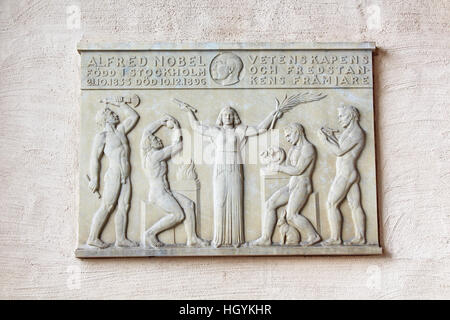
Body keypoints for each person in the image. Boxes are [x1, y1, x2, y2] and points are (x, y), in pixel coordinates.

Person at [181, 104, 281, 247]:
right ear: (221, 117)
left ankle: (236, 240)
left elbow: (260, 129)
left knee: (235, 202)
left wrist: (273, 114)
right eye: (225, 115)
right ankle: (219, 239)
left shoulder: (239, 131)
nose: (228, 117)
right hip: (220, 168)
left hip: (235, 167)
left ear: (235, 117)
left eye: (230, 115)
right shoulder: (215, 131)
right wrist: (189, 112)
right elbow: (197, 127)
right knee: (219, 201)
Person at [141, 115, 208, 248]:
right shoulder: (155, 155)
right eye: (155, 139)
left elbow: (146, 132)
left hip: (166, 191)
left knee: (189, 204)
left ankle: (192, 238)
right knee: (178, 215)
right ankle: (150, 233)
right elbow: (177, 147)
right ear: (150, 144)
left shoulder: (145, 152)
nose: (159, 139)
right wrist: (176, 128)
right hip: (158, 194)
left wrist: (161, 121)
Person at [251, 123, 321, 246]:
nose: (287, 139)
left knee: (291, 216)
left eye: (289, 136)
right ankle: (266, 238)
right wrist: (272, 156)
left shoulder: (308, 148)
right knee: (269, 204)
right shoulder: (294, 148)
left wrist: (278, 167)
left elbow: (298, 170)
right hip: (292, 184)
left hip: (302, 185)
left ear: (297, 132)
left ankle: (313, 235)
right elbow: (286, 165)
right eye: (286, 137)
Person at [87, 97, 139, 248]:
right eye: (111, 113)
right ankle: (92, 237)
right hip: (114, 174)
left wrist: (121, 104)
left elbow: (134, 116)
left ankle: (121, 239)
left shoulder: (121, 131)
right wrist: (95, 179)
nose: (116, 115)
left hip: (125, 175)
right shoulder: (102, 136)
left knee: (124, 206)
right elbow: (94, 159)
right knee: (107, 206)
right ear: (105, 119)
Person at [319, 104, 366, 245]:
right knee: (355, 205)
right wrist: (330, 136)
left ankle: (335, 238)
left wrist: (324, 140)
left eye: (341, 116)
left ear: (351, 115)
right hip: (348, 172)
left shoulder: (356, 133)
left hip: (346, 173)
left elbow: (339, 151)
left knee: (331, 203)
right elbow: (341, 147)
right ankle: (361, 237)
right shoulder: (349, 131)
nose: (339, 119)